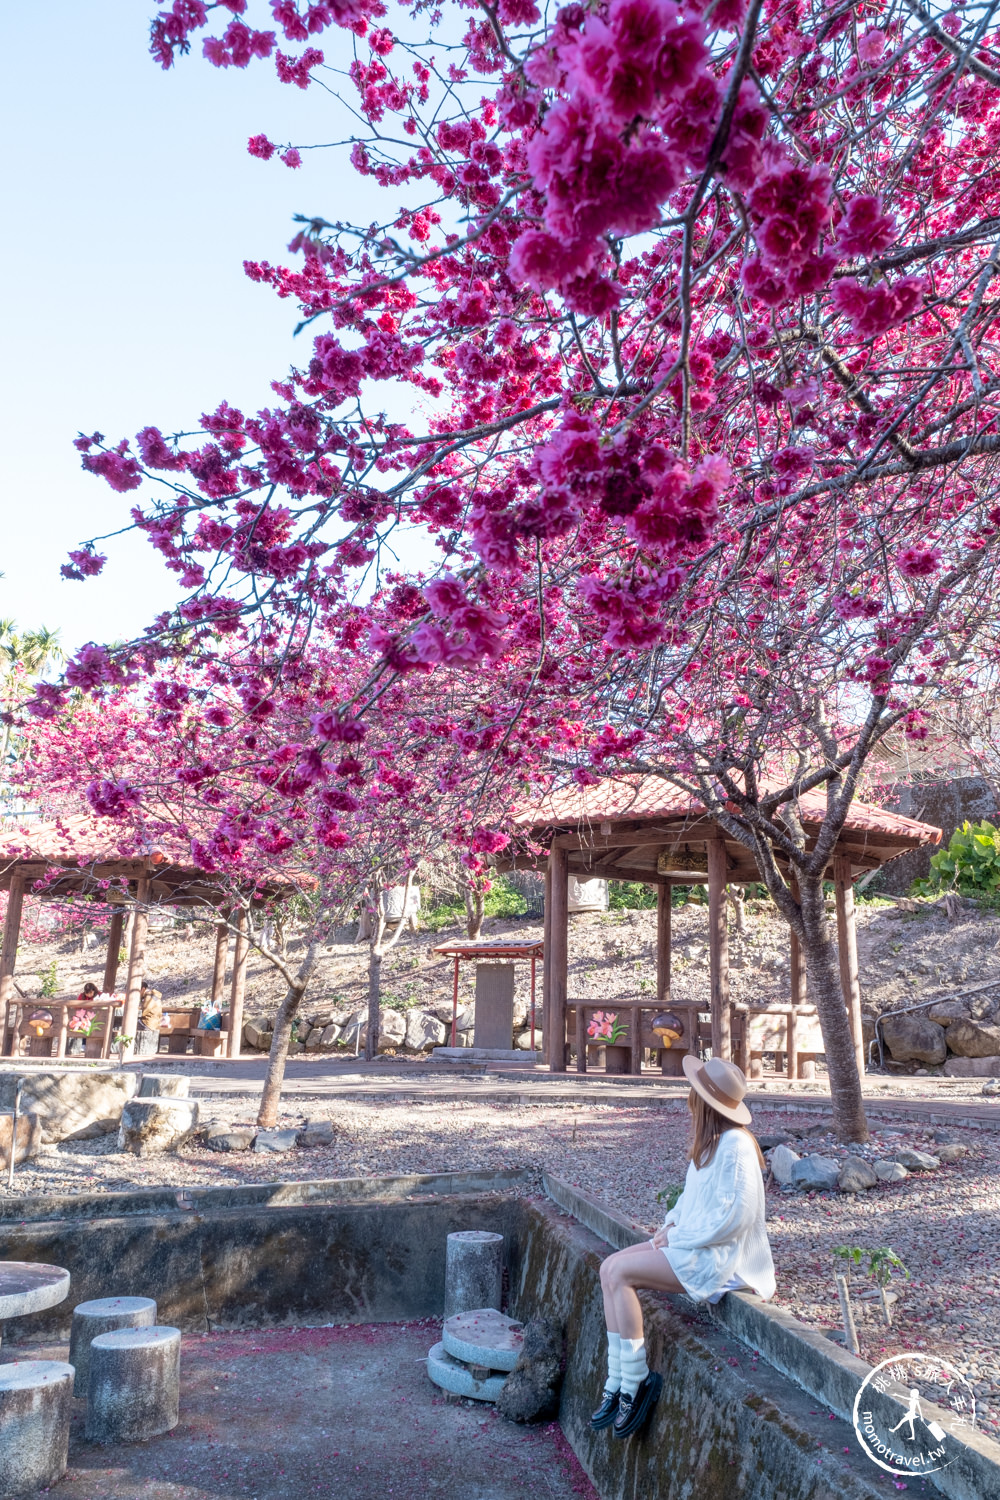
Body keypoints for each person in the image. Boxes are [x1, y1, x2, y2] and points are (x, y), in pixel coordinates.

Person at [592, 1055, 775, 1440]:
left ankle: (637, 1380)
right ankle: (619, 1376)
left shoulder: (736, 1147)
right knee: (609, 1267)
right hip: (695, 1245)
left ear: (704, 1102)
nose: (687, 1097)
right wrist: (670, 1226)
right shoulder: (712, 1143)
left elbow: (733, 1220)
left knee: (622, 1275)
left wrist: (676, 1237)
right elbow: (689, 1202)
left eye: (693, 1092)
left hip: (720, 1258)